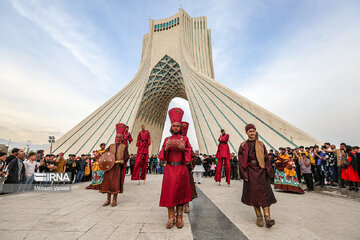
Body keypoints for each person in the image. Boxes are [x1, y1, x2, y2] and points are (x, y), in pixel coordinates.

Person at [159, 108, 192, 229]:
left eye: (178, 126)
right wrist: (166, 149)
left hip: (181, 168)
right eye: (174, 126)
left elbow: (189, 155)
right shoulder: (167, 140)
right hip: (169, 169)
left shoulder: (185, 139)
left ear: (180, 127)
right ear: (171, 127)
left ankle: (179, 217)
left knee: (180, 193)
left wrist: (184, 149)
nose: (176, 127)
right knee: (169, 194)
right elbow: (161, 156)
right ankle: (171, 217)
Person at [238, 124, 276, 228]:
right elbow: (241, 162)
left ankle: (267, 217)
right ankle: (259, 217)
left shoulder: (261, 144)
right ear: (246, 133)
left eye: (254, 131)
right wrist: (244, 174)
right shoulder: (243, 145)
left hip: (261, 171)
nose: (252, 133)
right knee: (254, 195)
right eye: (250, 131)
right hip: (251, 172)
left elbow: (266, 159)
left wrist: (269, 172)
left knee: (265, 194)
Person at [100, 123, 129, 207]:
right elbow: (105, 154)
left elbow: (126, 156)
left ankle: (114, 200)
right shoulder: (110, 146)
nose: (118, 138)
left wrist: (123, 161)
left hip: (117, 167)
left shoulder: (124, 147)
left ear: (122, 138)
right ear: (115, 137)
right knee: (108, 183)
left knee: (115, 184)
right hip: (110, 167)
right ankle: (108, 200)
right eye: (117, 137)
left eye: (120, 137)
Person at [181, 121, 197, 214]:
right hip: (177, 168)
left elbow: (194, 156)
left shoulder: (187, 143)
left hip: (186, 169)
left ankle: (186, 205)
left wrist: (190, 165)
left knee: (187, 187)